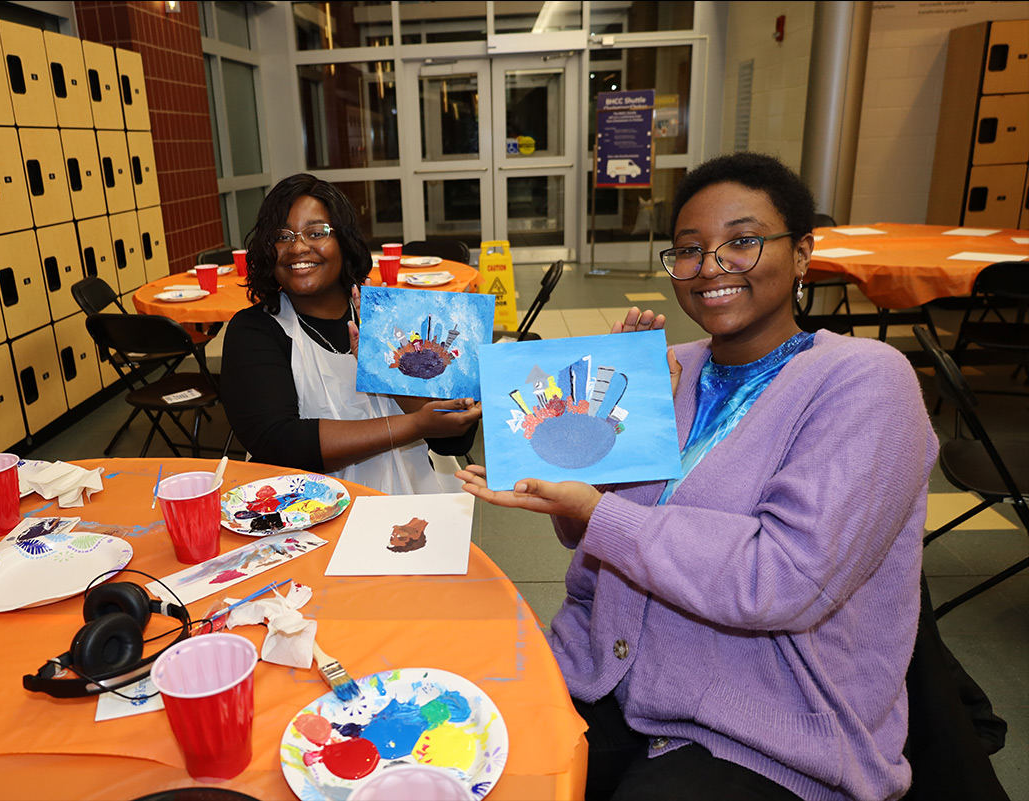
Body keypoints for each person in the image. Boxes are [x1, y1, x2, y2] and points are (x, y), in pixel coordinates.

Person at [457, 152, 938, 801]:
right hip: (605, 670)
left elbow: (783, 578)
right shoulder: (669, 369)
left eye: (741, 241)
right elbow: (590, 535)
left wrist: (597, 510)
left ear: (801, 253)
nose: (710, 266)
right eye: (689, 249)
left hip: (764, 723)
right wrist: (593, 461)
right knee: (469, 761)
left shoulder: (865, 380)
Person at [221, 173, 481, 495]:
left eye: (316, 232)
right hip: (305, 514)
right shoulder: (254, 331)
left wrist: (385, 365)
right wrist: (415, 425)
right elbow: (279, 443)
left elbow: (455, 438)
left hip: (408, 506)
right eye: (282, 236)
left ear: (344, 241)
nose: (298, 247)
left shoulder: (392, 316)